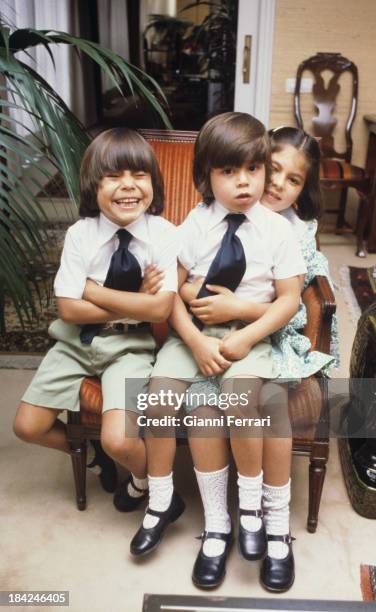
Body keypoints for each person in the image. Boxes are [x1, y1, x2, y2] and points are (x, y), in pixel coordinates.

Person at [130, 113, 306, 593]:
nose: (244, 181)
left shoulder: (276, 230)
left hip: (252, 329)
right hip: (198, 333)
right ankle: (172, 505)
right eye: (228, 172)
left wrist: (247, 337)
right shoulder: (194, 224)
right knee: (160, 394)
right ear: (205, 176)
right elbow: (171, 293)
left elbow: (288, 300)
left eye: (253, 169)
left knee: (237, 391)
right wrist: (193, 340)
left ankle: (251, 508)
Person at [13, 127, 177, 513]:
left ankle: (144, 482)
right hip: (74, 343)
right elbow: (69, 311)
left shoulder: (164, 235)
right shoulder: (80, 235)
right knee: (27, 426)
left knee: (120, 440)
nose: (128, 186)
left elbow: (159, 310)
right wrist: (137, 299)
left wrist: (96, 292)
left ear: (153, 183)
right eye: (113, 176)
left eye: (139, 175)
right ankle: (92, 456)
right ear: (92, 185)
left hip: (129, 347)